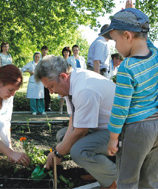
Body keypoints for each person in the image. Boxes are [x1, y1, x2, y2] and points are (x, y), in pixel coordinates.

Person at [102, 0, 158, 188]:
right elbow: (145, 38)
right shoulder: (155, 54)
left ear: (128, 36)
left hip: (137, 130)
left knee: (128, 180)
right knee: (151, 180)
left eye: (115, 41)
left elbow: (120, 108)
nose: (115, 47)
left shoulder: (127, 68)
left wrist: (113, 138)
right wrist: (131, 13)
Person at [34, 56, 118, 188]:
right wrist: (59, 150)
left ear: (63, 76)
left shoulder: (84, 88)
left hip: (122, 131)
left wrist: (58, 153)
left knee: (79, 150)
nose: (51, 92)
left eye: (51, 86)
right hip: (104, 128)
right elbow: (74, 120)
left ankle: (115, 181)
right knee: (62, 136)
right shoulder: (71, 82)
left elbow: (80, 131)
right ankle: (98, 171)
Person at [58, 47, 71, 114]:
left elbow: (72, 68)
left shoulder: (71, 60)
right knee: (62, 95)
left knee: (69, 95)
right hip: (62, 78)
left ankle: (69, 109)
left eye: (67, 52)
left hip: (69, 78)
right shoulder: (61, 60)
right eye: (65, 52)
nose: (66, 53)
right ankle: (61, 108)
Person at [41, 45, 52, 111]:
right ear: (41, 51)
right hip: (40, 77)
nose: (44, 51)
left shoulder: (49, 59)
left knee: (47, 92)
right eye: (43, 50)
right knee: (40, 92)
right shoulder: (39, 58)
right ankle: (41, 106)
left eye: (45, 50)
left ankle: (47, 106)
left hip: (47, 78)